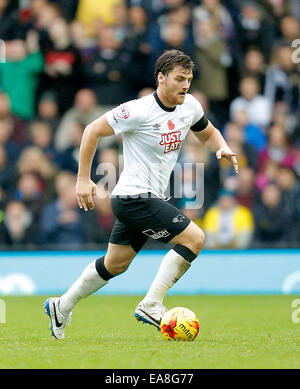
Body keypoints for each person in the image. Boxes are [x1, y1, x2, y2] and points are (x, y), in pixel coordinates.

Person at [43, 49, 238, 339]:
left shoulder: (190, 106)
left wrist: (221, 147)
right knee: (195, 238)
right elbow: (91, 131)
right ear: (161, 78)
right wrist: (83, 179)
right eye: (180, 79)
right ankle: (151, 304)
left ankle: (62, 306)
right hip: (133, 197)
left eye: (189, 79)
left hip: (147, 198)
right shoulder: (138, 110)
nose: (186, 85)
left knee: (115, 264)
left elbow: (207, 132)